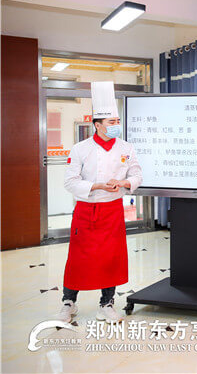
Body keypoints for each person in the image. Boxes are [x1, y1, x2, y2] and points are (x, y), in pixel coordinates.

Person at [56, 81, 143, 324]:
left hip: (112, 210)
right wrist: (96, 185)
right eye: (111, 122)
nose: (116, 125)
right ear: (97, 125)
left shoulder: (126, 147)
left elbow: (137, 175)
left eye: (117, 121)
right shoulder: (80, 149)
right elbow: (70, 182)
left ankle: (107, 303)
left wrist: (124, 183)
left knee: (111, 259)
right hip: (86, 210)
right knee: (78, 258)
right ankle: (68, 302)